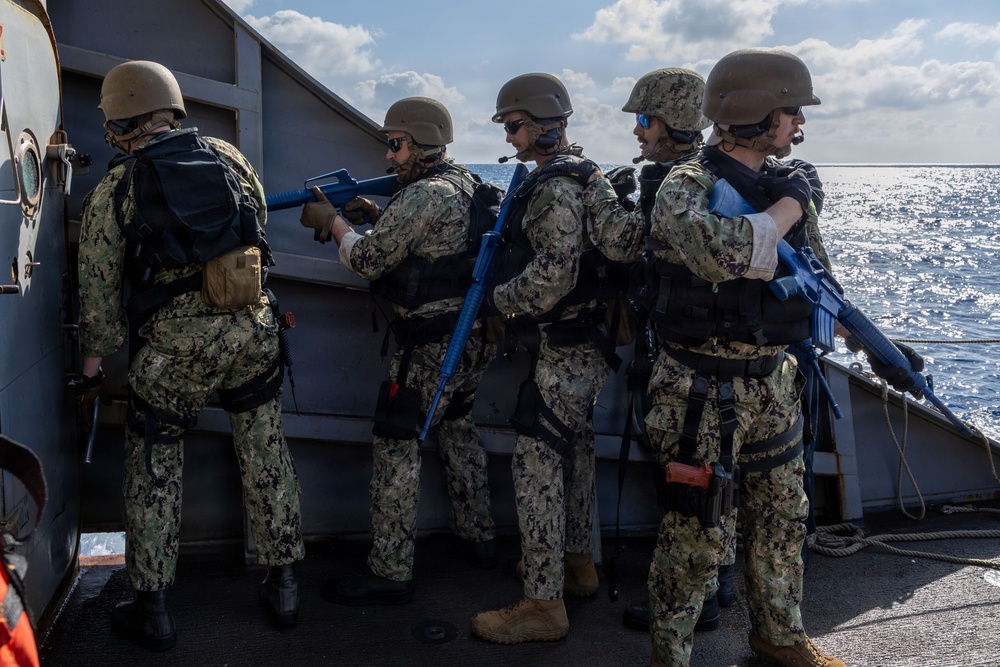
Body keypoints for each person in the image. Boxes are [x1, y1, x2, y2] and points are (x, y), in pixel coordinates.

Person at [76, 60, 304, 651]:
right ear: (173, 109)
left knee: (154, 464)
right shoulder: (229, 157)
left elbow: (99, 289)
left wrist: (93, 368)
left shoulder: (117, 187)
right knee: (265, 450)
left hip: (176, 351)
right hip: (252, 328)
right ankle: (284, 586)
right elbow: (257, 235)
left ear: (119, 121)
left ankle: (153, 606)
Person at [638, 49, 847, 666]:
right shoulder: (687, 185)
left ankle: (777, 636)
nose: (798, 126)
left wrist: (871, 342)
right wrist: (793, 206)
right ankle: (669, 655)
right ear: (757, 114)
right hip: (701, 389)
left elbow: (814, 273)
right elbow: (721, 254)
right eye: (790, 113)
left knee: (785, 518)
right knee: (695, 535)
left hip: (774, 380)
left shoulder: (781, 183)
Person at [299, 97, 498, 606]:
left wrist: (333, 222)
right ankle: (478, 540)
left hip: (429, 345)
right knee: (458, 430)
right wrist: (381, 214)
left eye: (396, 144)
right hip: (470, 339)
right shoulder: (465, 184)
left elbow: (367, 258)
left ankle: (390, 570)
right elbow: (439, 244)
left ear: (423, 143)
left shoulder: (424, 195)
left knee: (395, 444)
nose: (389, 157)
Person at [580, 68, 734, 633]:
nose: (638, 132)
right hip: (725, 355)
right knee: (717, 468)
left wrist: (593, 182)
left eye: (644, 120)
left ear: (671, 122)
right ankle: (722, 580)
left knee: (685, 473)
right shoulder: (722, 173)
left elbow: (622, 244)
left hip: (681, 356)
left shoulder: (670, 183)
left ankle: (698, 604)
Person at [469, 72, 613, 644]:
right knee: (575, 453)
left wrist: (496, 302)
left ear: (537, 124)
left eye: (512, 126)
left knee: (535, 466)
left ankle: (542, 603)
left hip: (565, 346)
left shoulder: (553, 187)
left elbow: (554, 275)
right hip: (587, 343)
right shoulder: (585, 173)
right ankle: (579, 566)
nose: (509, 139)